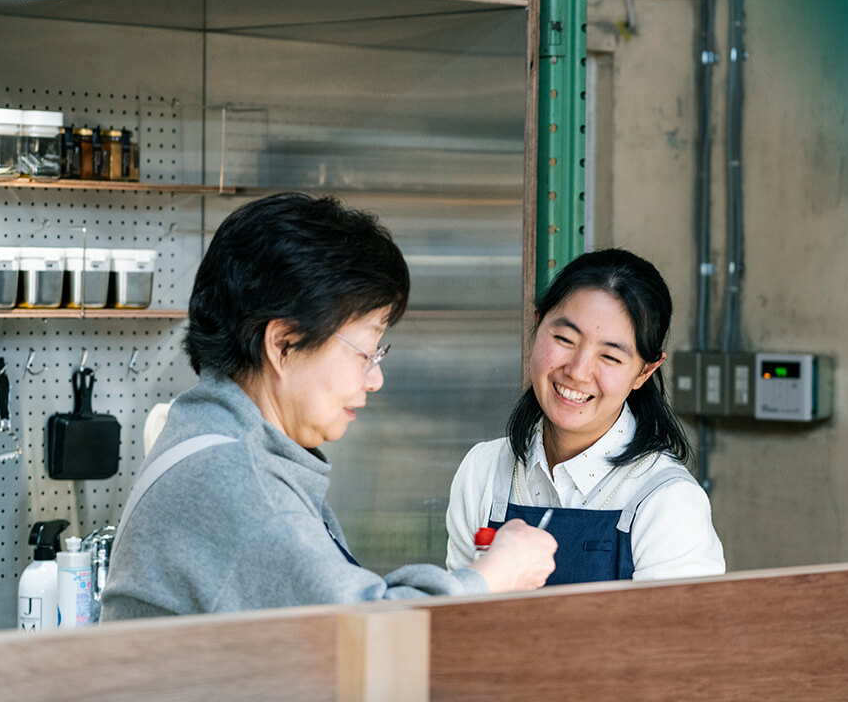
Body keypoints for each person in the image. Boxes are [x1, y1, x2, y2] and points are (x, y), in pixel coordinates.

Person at [102, 193, 555, 620]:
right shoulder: (236, 477)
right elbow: (365, 637)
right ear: (283, 344)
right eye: (364, 353)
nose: (375, 379)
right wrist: (495, 576)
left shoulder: (217, 435)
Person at [446, 248, 725, 584]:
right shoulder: (484, 471)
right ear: (537, 326)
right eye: (564, 339)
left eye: (609, 356)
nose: (577, 372)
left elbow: (678, 637)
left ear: (644, 372)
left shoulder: (668, 502)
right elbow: (456, 619)